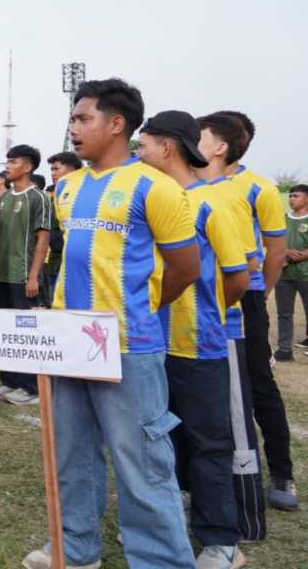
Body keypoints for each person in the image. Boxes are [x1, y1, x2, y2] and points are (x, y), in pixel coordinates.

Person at [24, 78, 200, 569]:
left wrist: (139, 310)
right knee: (72, 456)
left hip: (128, 346)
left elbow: (186, 268)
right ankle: (77, 550)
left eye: (83, 119)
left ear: (117, 124)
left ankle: (162, 561)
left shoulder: (156, 187)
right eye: (73, 120)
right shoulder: (68, 187)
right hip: (67, 345)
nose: (73, 130)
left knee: (143, 464)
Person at [138, 111, 249, 569]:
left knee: (209, 441)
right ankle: (186, 509)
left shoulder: (211, 203)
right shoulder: (148, 197)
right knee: (166, 437)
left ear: (167, 148)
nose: (137, 154)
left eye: (143, 145)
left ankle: (223, 540)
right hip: (151, 342)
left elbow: (238, 278)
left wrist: (205, 314)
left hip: (198, 343)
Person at [198, 111, 295, 518]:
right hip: (200, 295)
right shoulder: (188, 182)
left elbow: (275, 252)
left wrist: (261, 293)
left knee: (259, 384)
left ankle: (282, 474)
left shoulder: (260, 188)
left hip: (246, 298)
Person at [0, 144, 50, 405]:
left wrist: (34, 276)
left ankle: (31, 387)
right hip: (1, 274)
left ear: (28, 167)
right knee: (5, 330)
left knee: (25, 333)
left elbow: (44, 238)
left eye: (13, 162)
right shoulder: (4, 198)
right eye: (7, 162)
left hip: (23, 275)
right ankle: (9, 381)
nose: (7, 167)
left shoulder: (39, 198)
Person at [43, 152, 83, 306]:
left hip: (78, 267)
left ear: (72, 169)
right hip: (56, 265)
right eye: (51, 170)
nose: (53, 174)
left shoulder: (82, 193)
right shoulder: (56, 194)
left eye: (56, 169)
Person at [278, 184, 308, 357]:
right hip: (284, 273)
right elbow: (272, 240)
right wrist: (286, 251)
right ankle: (284, 349)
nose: (291, 199)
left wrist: (304, 255)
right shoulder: (283, 219)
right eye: (290, 196)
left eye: (296, 196)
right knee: (284, 313)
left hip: (306, 274)